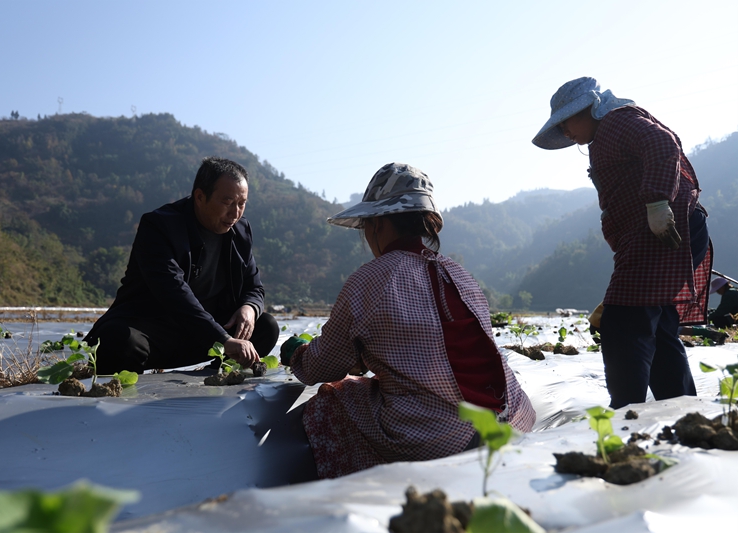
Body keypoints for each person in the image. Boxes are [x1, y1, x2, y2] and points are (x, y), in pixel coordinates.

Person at [279, 163, 536, 479]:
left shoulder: (371, 279)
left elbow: (322, 367)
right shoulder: (461, 275)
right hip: (513, 421)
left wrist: (297, 354)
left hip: (441, 438)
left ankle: (356, 494)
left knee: (332, 401)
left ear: (378, 224)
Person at [533, 77, 712, 409]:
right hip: (655, 235)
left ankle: (625, 413)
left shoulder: (616, 120)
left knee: (622, 322)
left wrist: (657, 203)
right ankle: (682, 410)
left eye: (567, 121)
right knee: (657, 330)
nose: (567, 133)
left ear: (589, 108)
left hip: (663, 230)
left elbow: (662, 144)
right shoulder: (607, 132)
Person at [85, 156, 279, 374]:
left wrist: (249, 309)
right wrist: (222, 339)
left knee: (266, 327)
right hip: (155, 330)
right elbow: (174, 294)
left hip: (203, 335)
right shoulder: (159, 226)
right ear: (199, 196)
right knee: (119, 341)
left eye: (241, 204)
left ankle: (219, 372)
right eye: (227, 202)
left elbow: (254, 287)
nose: (235, 213)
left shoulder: (240, 232)